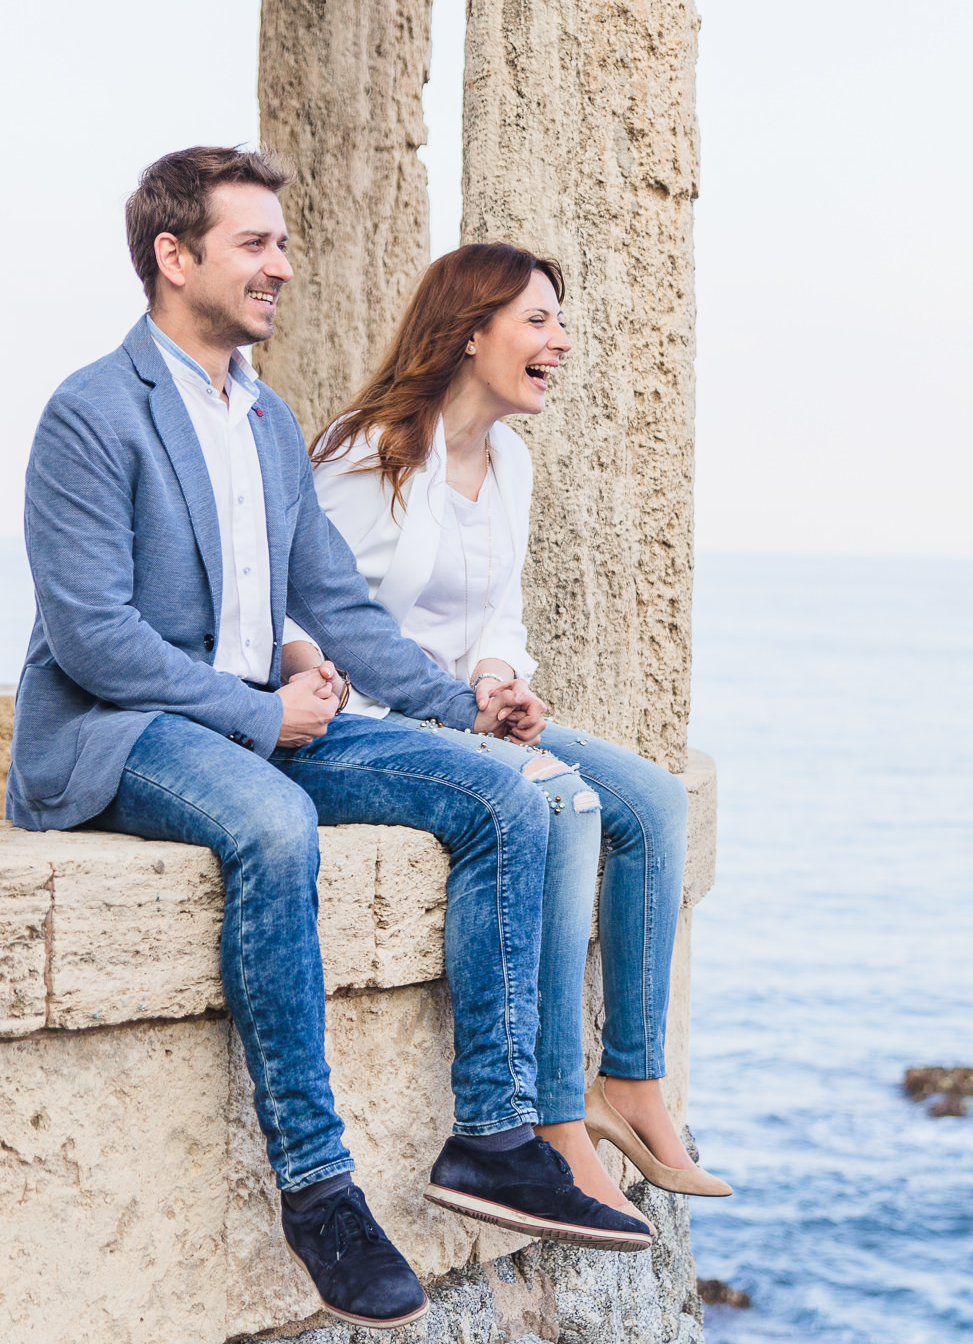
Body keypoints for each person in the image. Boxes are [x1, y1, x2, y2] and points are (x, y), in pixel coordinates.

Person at [8, 151, 653, 1328]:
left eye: (282, 243)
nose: (282, 267)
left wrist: (466, 706)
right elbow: (92, 636)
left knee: (503, 797)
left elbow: (339, 608)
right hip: (124, 731)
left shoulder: (265, 415)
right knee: (274, 821)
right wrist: (260, 710)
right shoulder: (93, 412)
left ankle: (495, 1135)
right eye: (256, 244)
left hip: (266, 714)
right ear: (174, 256)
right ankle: (318, 1188)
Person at [285, 242, 734, 1223]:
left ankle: (632, 1082)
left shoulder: (512, 464)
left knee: (651, 800)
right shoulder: (367, 454)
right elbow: (297, 613)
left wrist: (499, 679)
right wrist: (447, 709)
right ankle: (553, 1119)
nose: (559, 341)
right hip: (367, 726)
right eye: (538, 320)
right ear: (471, 330)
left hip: (471, 714)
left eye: (557, 322)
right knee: (564, 799)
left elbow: (499, 614)